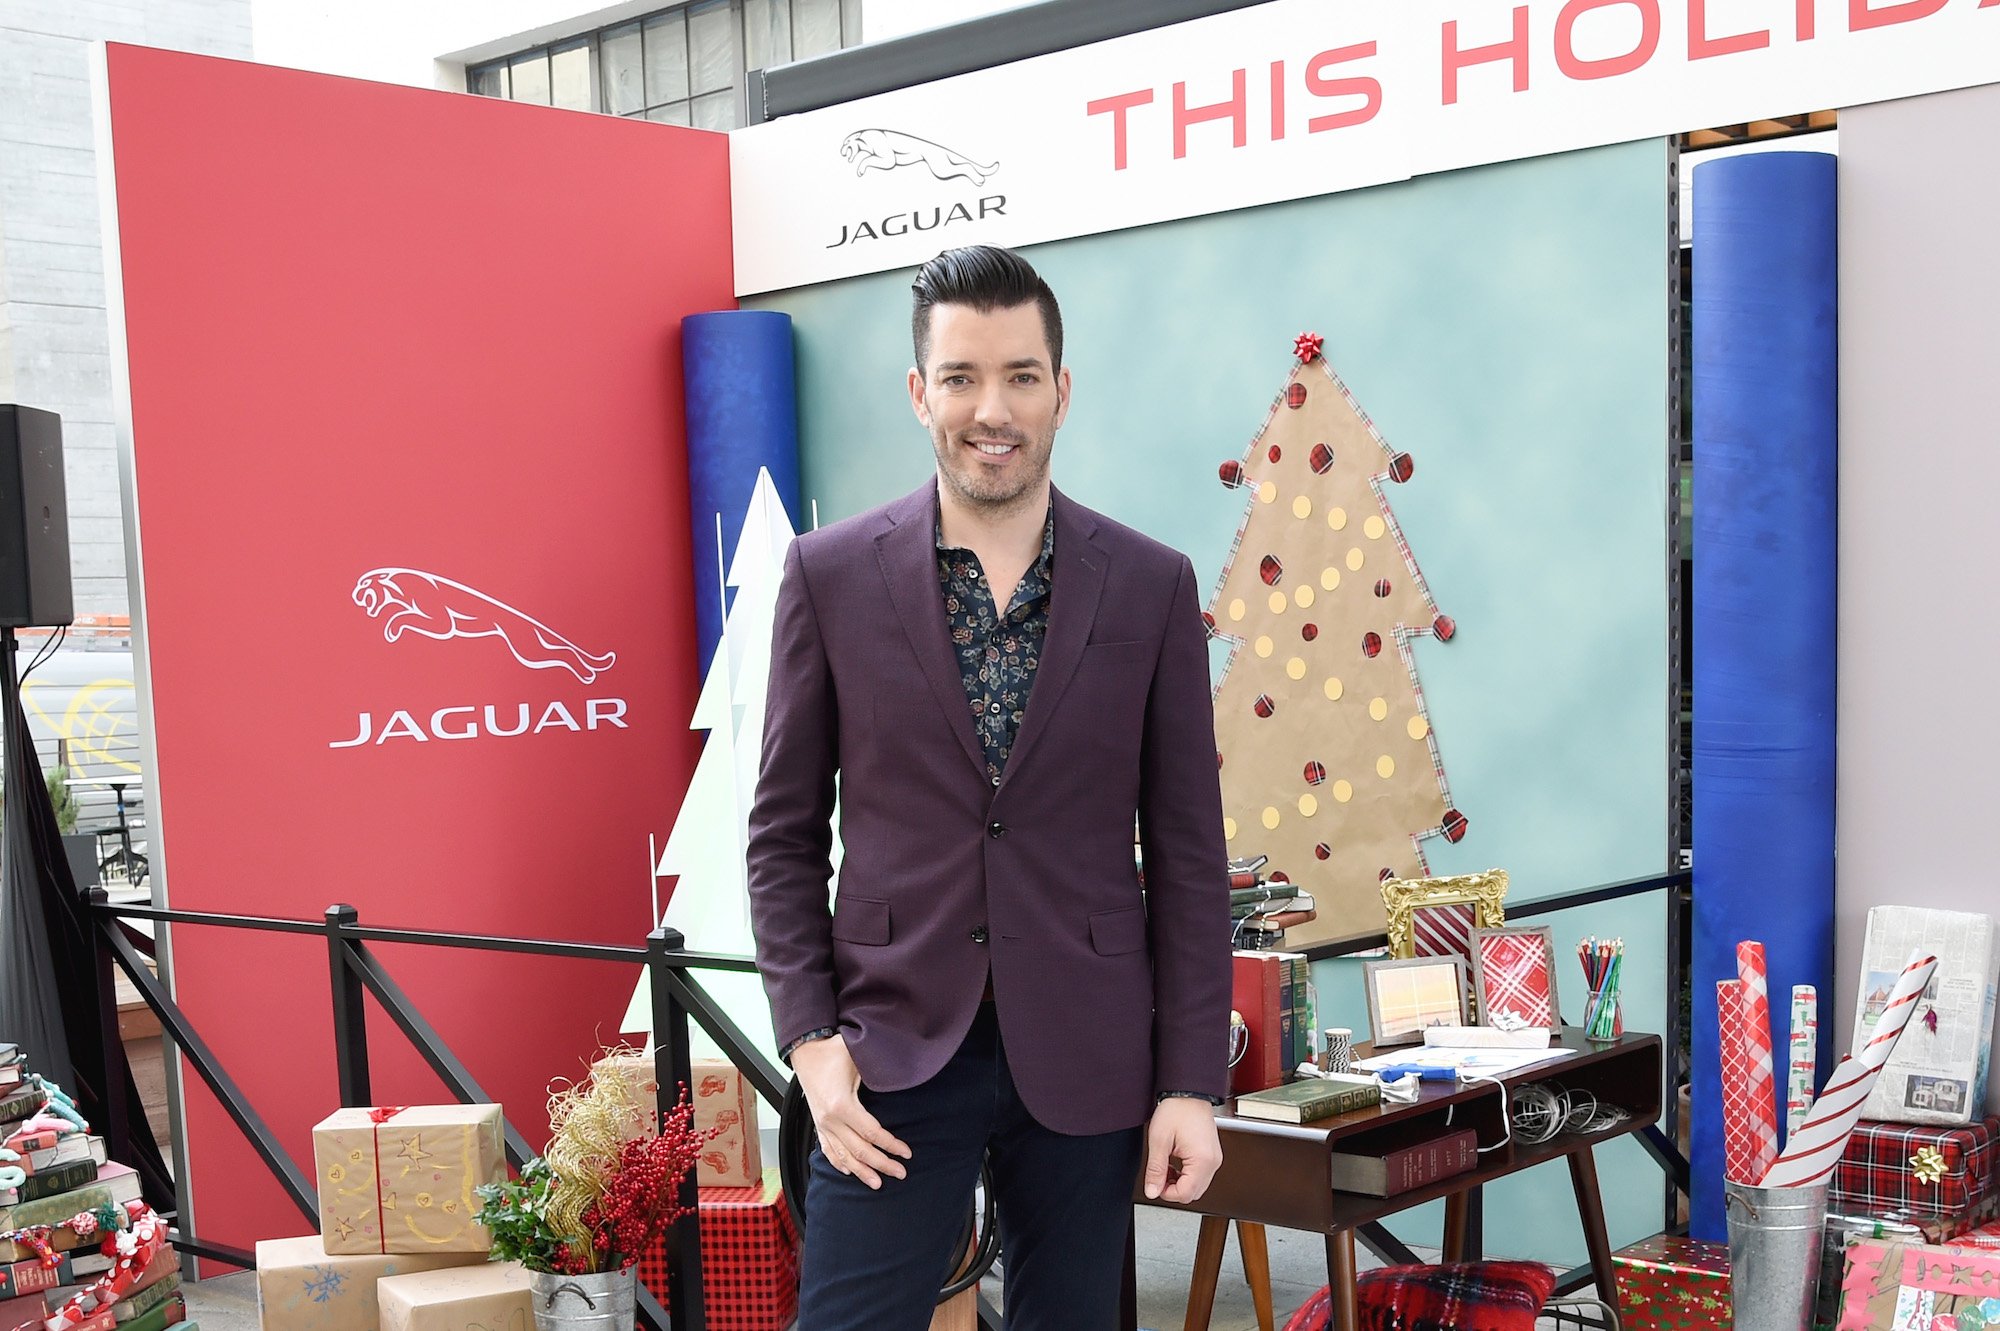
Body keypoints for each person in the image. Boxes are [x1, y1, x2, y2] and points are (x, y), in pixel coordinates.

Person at [747, 244, 1231, 1330]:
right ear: (920, 392)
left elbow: (1190, 856)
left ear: (1062, 389)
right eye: (960, 376)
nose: (991, 408)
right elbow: (781, 835)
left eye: (1019, 374)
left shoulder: (1149, 584)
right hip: (889, 1051)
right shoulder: (828, 575)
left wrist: (1188, 1083)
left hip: (1089, 1053)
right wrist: (814, 1049)